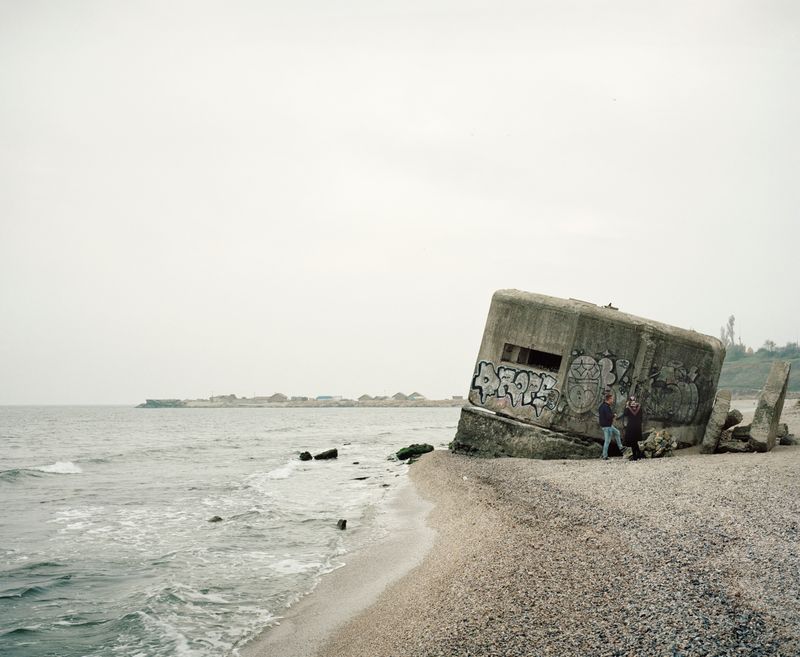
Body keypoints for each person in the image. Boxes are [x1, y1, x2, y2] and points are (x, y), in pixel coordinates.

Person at [598, 393, 623, 459]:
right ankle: (604, 455)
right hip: (607, 426)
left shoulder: (602, 406)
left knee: (617, 432)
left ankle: (621, 447)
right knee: (607, 441)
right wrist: (614, 415)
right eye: (612, 399)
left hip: (607, 425)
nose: (612, 400)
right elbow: (608, 416)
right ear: (608, 399)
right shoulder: (606, 407)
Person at [622, 395, 645, 461]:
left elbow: (625, 414)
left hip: (632, 426)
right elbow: (640, 417)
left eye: (633, 400)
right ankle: (638, 454)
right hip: (636, 426)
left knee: (633, 441)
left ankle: (635, 456)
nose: (633, 402)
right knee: (634, 441)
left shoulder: (629, 407)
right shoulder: (639, 407)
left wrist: (627, 406)